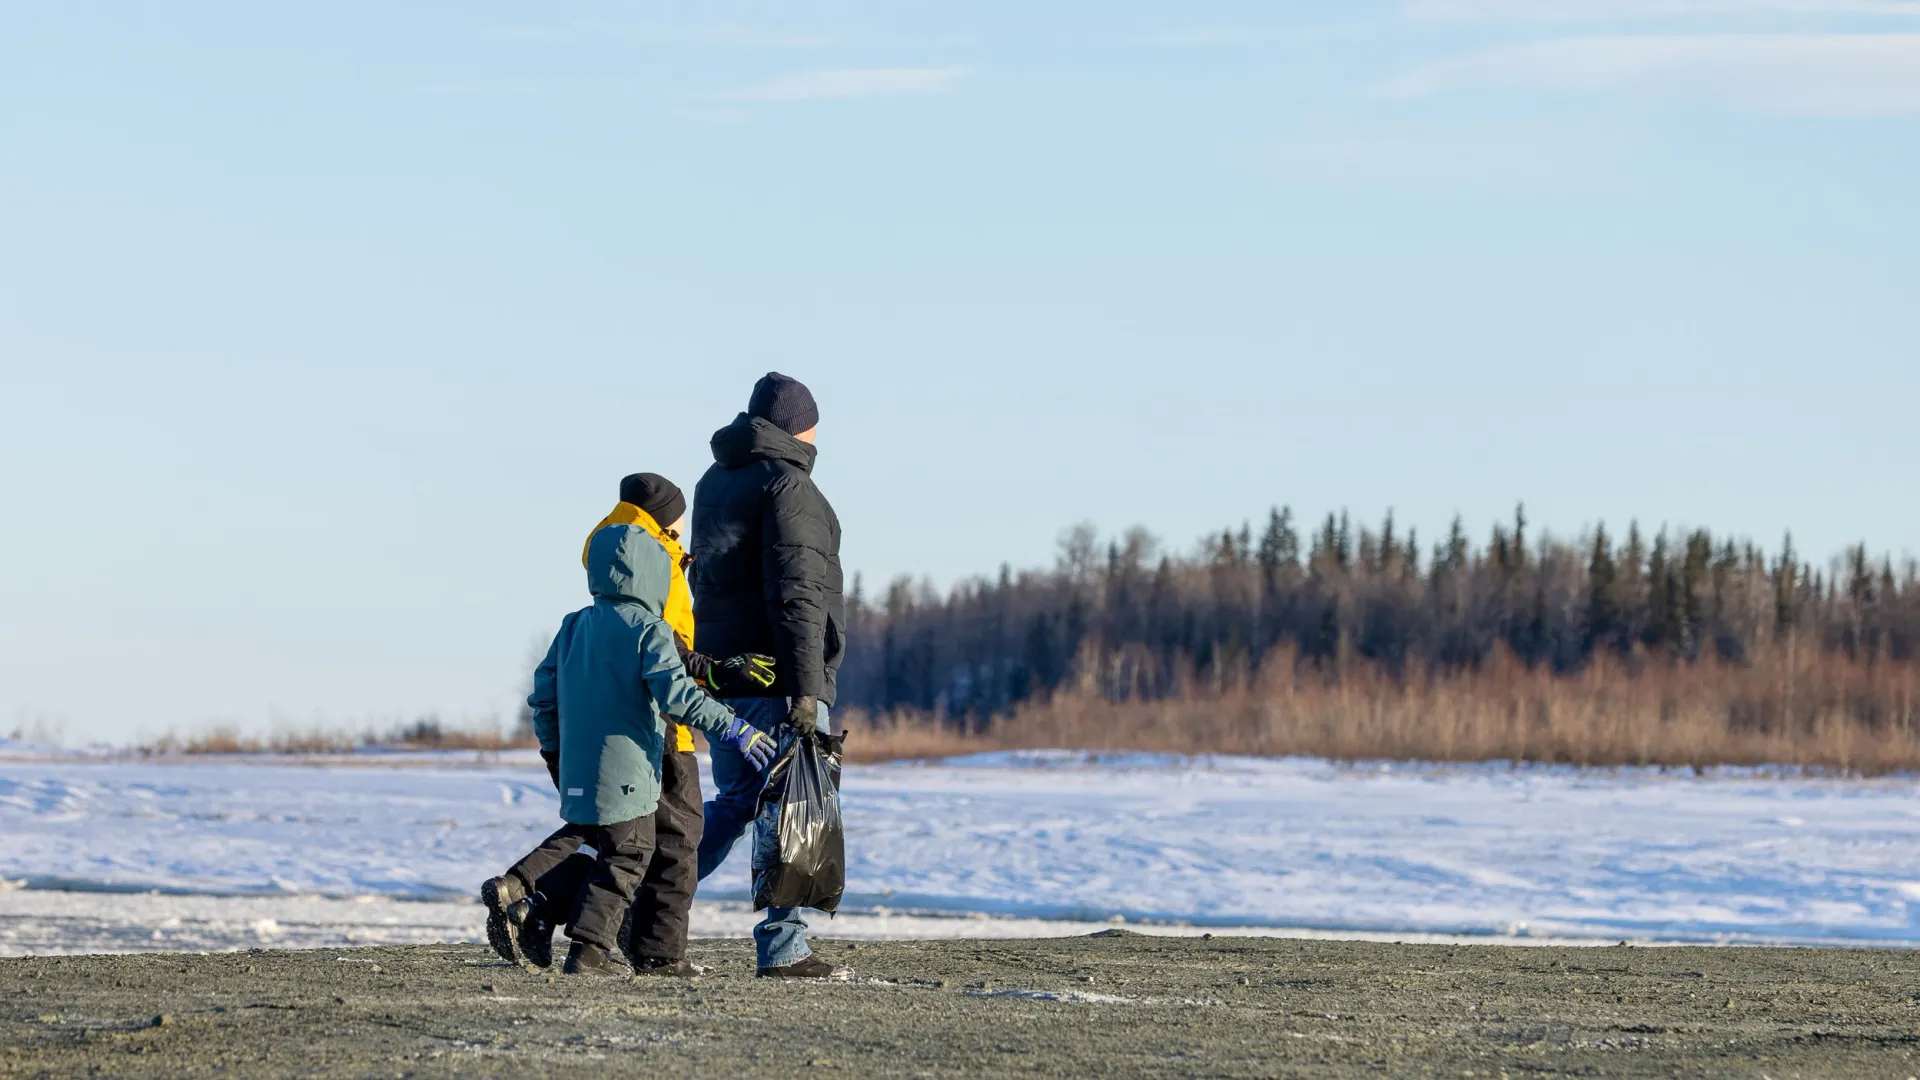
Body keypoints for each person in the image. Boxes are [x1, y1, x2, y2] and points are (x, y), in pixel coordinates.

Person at [501, 474, 776, 976]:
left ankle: (526, 892)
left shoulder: (576, 620)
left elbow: (543, 695)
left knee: (600, 835)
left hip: (585, 751)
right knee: (651, 846)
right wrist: (734, 724)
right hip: (648, 742)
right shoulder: (650, 599)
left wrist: (554, 750)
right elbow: (672, 682)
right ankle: (627, 950)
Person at [691, 372, 851, 980]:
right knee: (794, 802)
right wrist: (806, 690)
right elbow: (799, 597)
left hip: (727, 675)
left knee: (737, 800)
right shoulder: (789, 486)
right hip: (779, 676)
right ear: (795, 426)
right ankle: (784, 946)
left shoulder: (715, 481)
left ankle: (640, 909)